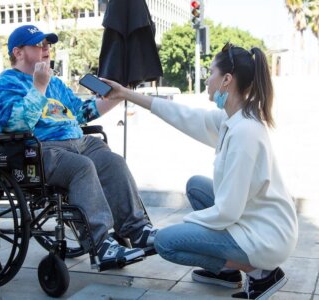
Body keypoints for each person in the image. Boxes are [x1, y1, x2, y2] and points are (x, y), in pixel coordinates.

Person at [101, 43, 298, 299]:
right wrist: (126, 94)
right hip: (258, 219)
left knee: (166, 242)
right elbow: (182, 114)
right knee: (196, 185)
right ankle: (226, 273)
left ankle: (259, 272)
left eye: (211, 72)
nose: (207, 79)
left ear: (226, 80)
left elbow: (228, 210)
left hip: (267, 237)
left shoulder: (245, 134)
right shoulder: (232, 119)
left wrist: (182, 225)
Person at [0, 25, 157, 264]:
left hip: (78, 141)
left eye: (47, 44)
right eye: (39, 44)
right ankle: (101, 244)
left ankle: (138, 230)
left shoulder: (56, 83)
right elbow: (15, 124)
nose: (46, 48)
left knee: (113, 162)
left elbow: (81, 113)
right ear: (18, 53)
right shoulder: (7, 82)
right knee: (81, 167)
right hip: (41, 148)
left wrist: (117, 96)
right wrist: (38, 86)